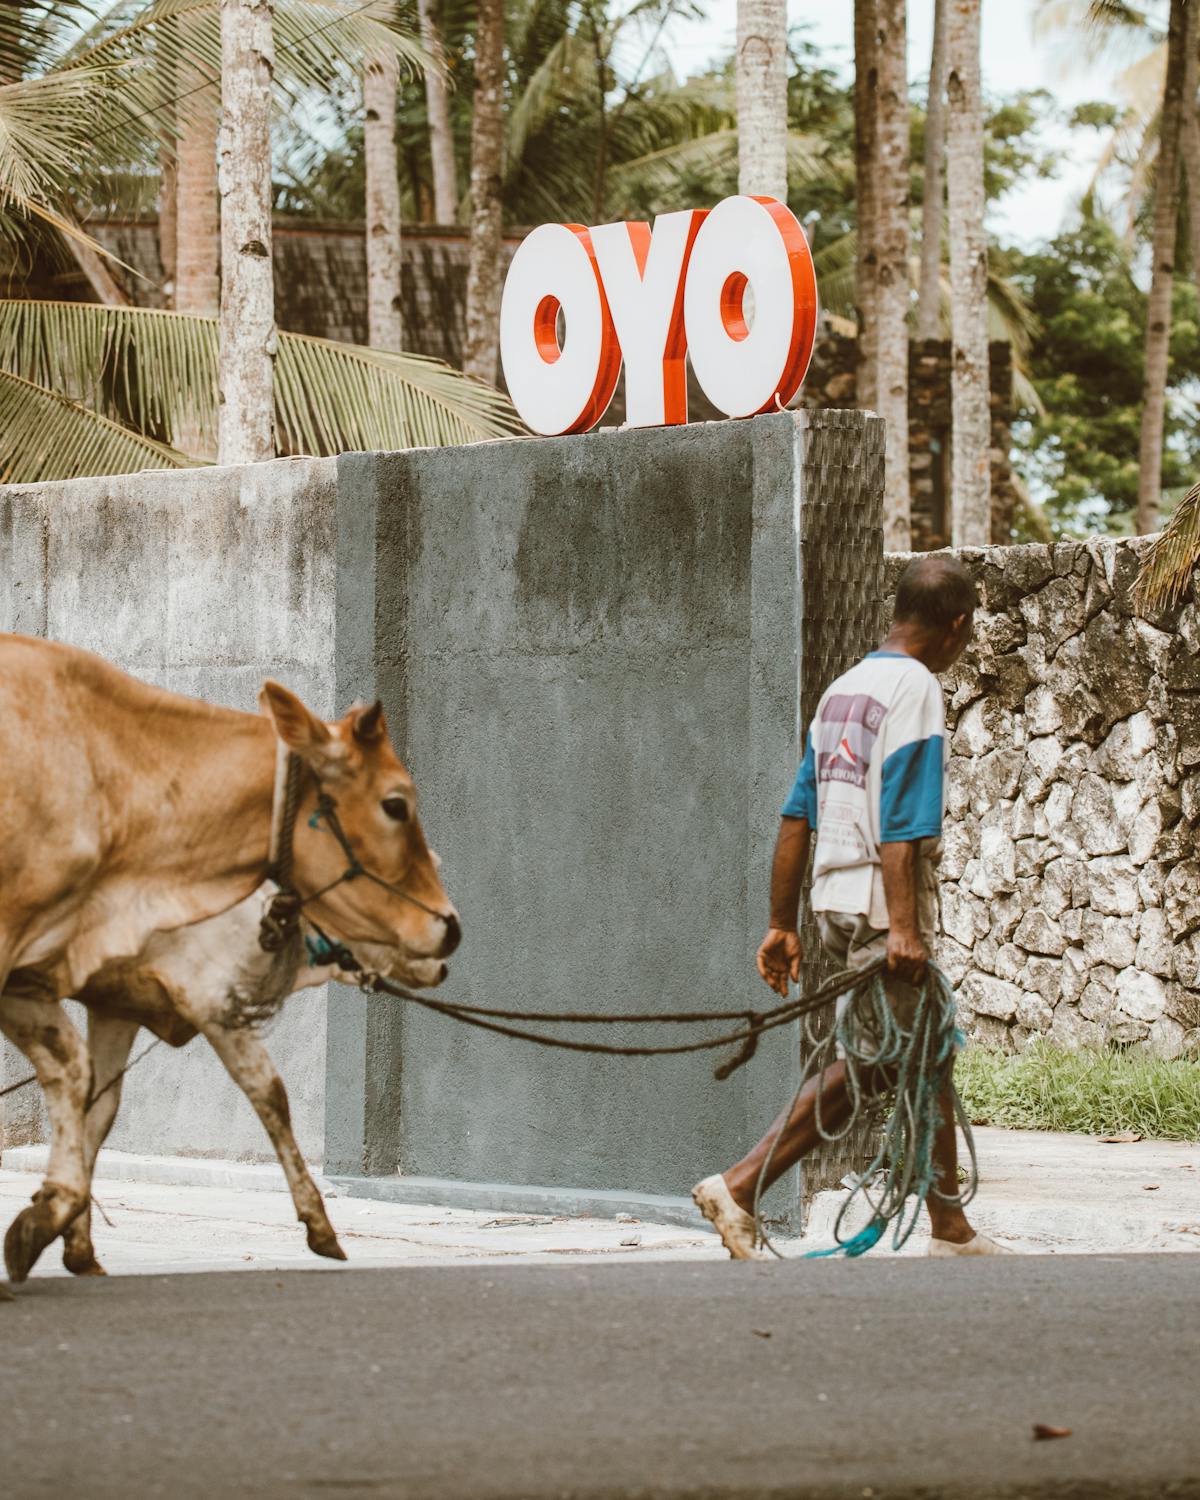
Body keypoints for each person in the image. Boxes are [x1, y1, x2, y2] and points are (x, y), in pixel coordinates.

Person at [692, 554, 1011, 1260]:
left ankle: (951, 1228)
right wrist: (904, 928)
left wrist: (781, 924)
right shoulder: (915, 690)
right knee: (871, 1064)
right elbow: (903, 819)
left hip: (831, 901)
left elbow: (797, 813)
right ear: (956, 626)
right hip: (878, 907)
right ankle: (740, 1185)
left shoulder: (845, 688)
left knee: (924, 1056)